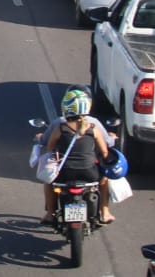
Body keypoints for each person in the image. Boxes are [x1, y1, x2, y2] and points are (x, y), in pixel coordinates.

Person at [42, 88, 115, 225]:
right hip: (89, 173)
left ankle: (50, 214)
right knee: (104, 180)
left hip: (64, 173)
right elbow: (104, 152)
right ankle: (105, 212)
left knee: (48, 181)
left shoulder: (60, 127)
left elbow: (50, 150)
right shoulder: (93, 128)